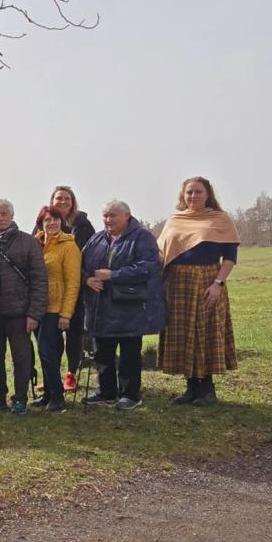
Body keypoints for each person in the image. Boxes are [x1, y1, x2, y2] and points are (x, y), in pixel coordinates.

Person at [157, 176, 241, 406]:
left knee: (205, 332)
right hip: (177, 283)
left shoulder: (220, 219)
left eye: (198, 192)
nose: (193, 196)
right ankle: (191, 387)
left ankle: (207, 388)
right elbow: (161, 253)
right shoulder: (174, 220)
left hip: (207, 281)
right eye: (189, 193)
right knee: (183, 332)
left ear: (208, 194)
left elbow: (230, 257)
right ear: (182, 196)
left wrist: (218, 284)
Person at [80, 200, 166, 410]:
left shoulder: (142, 237)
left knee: (129, 353)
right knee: (102, 352)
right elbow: (80, 265)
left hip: (130, 306)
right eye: (105, 216)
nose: (108, 220)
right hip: (101, 307)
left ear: (127, 215)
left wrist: (114, 275)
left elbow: (148, 267)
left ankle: (130, 395)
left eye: (113, 215)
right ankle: (106, 391)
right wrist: (87, 280)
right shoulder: (97, 238)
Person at [0, 199, 48, 417]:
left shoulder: (28, 242)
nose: (0, 218)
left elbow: (39, 280)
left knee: (22, 357)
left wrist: (34, 313)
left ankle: (20, 399)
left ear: (12, 216)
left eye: (4, 214)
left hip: (19, 312)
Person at [32, 204, 81, 412]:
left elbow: (73, 283)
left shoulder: (69, 246)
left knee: (48, 351)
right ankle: (49, 393)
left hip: (55, 309)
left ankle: (58, 396)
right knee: (44, 353)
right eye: (47, 220)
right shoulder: (36, 244)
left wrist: (66, 313)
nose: (51, 223)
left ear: (62, 222)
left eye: (55, 219)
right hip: (36, 307)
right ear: (41, 223)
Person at [52, 186, 95, 393]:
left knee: (74, 333)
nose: (62, 201)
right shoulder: (44, 222)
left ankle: (71, 374)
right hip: (50, 291)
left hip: (74, 288)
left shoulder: (83, 225)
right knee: (51, 335)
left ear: (73, 201)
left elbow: (90, 256)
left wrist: (86, 278)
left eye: (66, 198)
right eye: (58, 198)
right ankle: (52, 375)